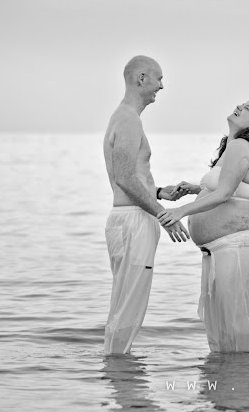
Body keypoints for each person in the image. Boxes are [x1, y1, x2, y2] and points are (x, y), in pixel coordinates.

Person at [157, 99, 249, 354]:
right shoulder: (232, 147)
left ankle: (246, 387)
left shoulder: (241, 147)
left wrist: (180, 210)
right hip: (223, 250)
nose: (240, 107)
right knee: (225, 332)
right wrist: (195, 189)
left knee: (241, 329)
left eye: (247, 109)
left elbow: (223, 194)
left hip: (236, 248)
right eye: (242, 104)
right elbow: (230, 188)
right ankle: (227, 388)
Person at [102, 55, 190, 355]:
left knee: (124, 304)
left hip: (130, 217)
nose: (162, 86)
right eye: (159, 78)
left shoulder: (125, 117)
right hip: (134, 222)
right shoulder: (127, 118)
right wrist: (163, 215)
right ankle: (124, 384)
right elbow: (125, 178)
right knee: (129, 307)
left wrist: (160, 192)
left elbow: (130, 177)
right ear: (141, 78)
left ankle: (119, 379)